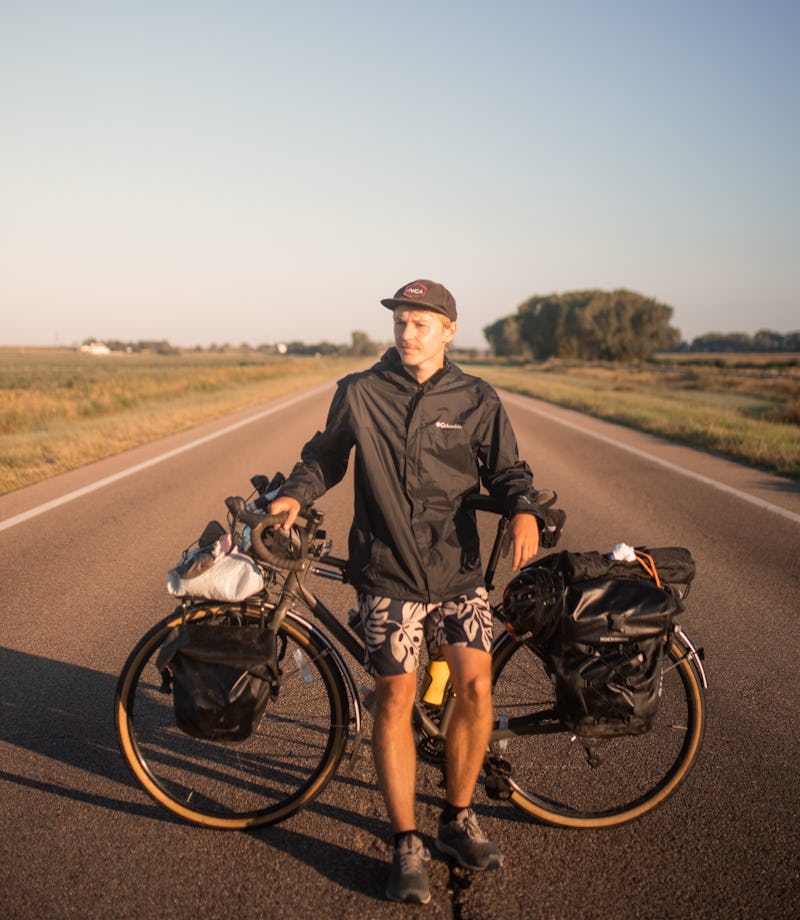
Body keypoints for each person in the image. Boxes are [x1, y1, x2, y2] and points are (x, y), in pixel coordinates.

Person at [270, 279, 543, 905]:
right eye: (400, 322)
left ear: (449, 330)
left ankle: (456, 817)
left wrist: (522, 508)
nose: (406, 333)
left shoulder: (476, 397)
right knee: (395, 697)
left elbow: (506, 471)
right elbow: (325, 456)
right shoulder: (360, 391)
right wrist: (294, 493)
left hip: (457, 571)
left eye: (421, 323)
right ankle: (405, 842)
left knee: (476, 687)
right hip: (388, 569)